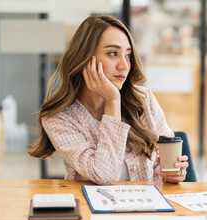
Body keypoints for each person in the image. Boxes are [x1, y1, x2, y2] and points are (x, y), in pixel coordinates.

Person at [29, 15, 189, 185]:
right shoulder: (59, 118)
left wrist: (172, 173)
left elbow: (162, 165)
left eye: (128, 55)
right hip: (90, 208)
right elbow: (105, 176)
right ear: (85, 58)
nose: (124, 65)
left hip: (147, 207)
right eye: (113, 53)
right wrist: (112, 101)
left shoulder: (144, 100)